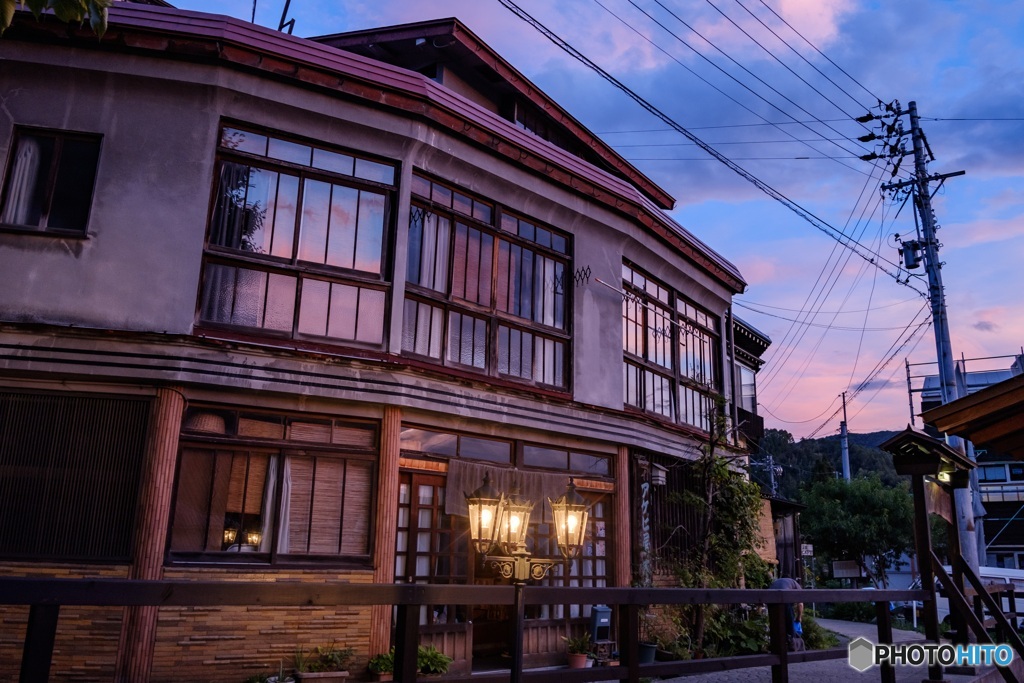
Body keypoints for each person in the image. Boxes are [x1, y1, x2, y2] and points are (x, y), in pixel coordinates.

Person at [770, 575, 805, 650]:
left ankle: (776, 648)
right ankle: (791, 647)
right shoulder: (798, 587)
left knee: (776, 625)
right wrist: (799, 617)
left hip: (770, 597)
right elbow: (800, 604)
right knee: (790, 627)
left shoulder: (784, 582)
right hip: (784, 597)